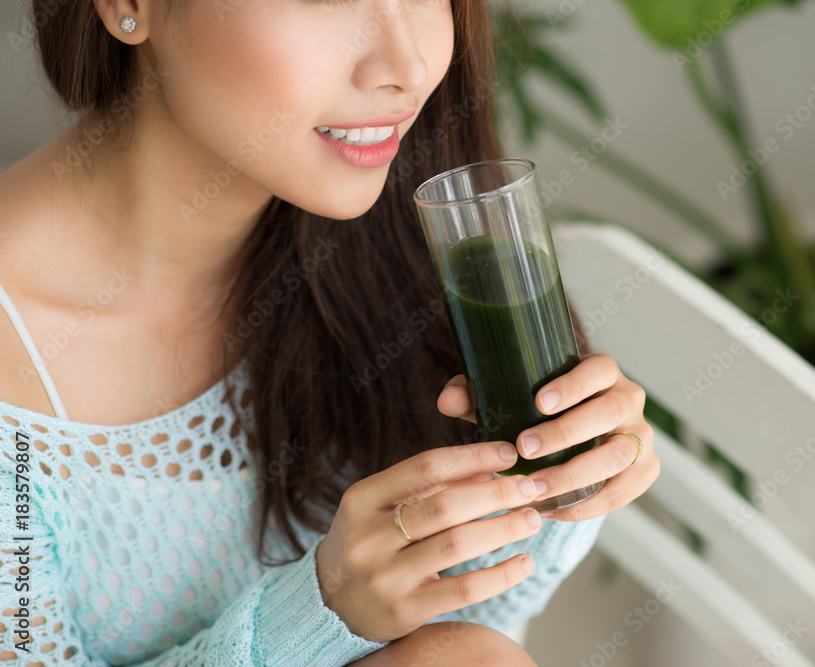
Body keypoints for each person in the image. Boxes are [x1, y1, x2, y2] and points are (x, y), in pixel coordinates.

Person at [0, 0, 660, 664]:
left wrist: (557, 477)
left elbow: (474, 628)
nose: (406, 66)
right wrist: (321, 613)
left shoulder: (392, 244)